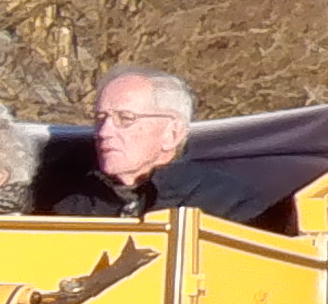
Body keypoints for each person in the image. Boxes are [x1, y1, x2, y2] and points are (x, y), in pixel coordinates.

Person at [51, 68, 268, 222]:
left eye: (125, 118)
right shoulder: (66, 200)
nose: (104, 132)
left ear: (172, 133)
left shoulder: (230, 205)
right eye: (100, 118)